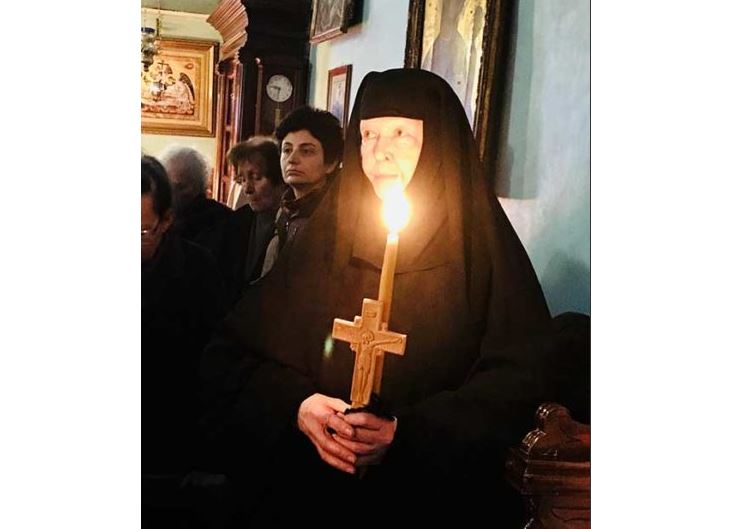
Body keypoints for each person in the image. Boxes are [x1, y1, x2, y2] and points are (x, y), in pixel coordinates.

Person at [201, 69, 557, 526]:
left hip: (433, 502)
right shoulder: (327, 242)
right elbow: (231, 355)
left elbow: (522, 381)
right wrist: (298, 405)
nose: (379, 152)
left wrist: (407, 433)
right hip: (315, 494)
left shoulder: (480, 253)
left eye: (400, 135)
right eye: (368, 135)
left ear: (438, 145)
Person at [141, 155, 227, 528]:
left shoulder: (197, 270)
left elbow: (215, 363)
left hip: (171, 448)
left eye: (140, 232)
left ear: (166, 221)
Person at [258, 106, 343, 277]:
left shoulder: (337, 217)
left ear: (331, 163)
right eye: (287, 150)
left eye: (306, 151)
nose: (292, 159)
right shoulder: (285, 209)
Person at [221, 136, 286, 303]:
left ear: (280, 178)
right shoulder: (235, 222)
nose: (247, 189)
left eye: (256, 177)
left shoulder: (291, 224)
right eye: (242, 180)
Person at [159, 146, 232, 274]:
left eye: (179, 187)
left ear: (197, 186)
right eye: (166, 186)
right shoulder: (159, 218)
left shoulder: (224, 221)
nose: (171, 194)